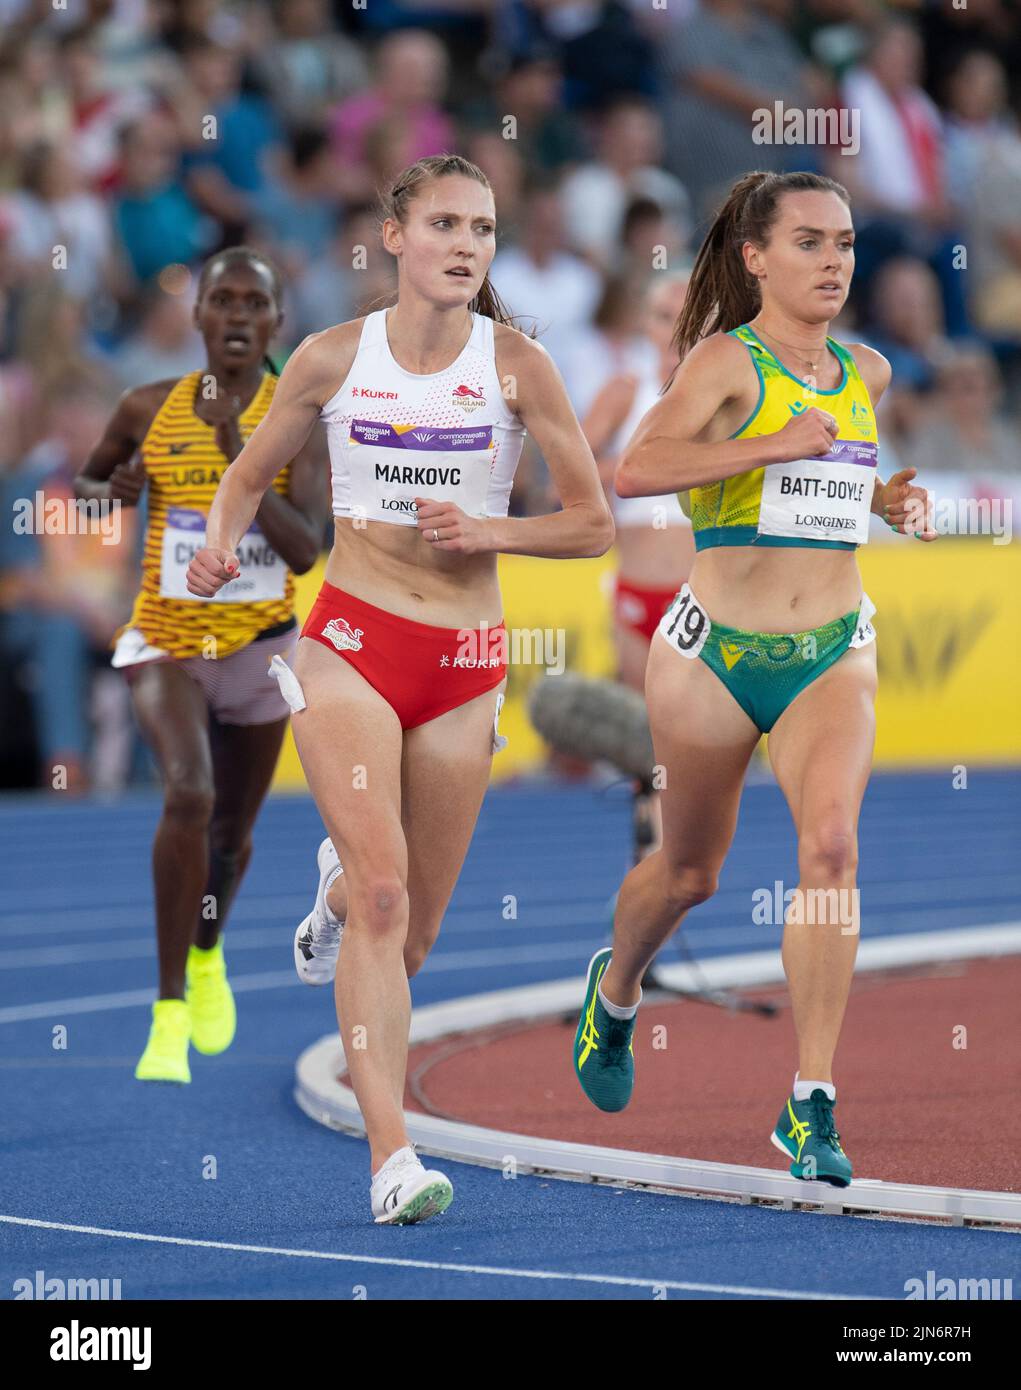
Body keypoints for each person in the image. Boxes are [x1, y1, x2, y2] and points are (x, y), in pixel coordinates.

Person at [186, 155, 613, 1225]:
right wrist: (217, 548)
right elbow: (246, 473)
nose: (467, 244)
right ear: (395, 236)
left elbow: (593, 521)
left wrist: (492, 530)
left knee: (407, 932)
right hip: (353, 641)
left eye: (483, 228)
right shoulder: (334, 359)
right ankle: (391, 1160)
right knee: (390, 892)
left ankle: (333, 894)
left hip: (465, 664)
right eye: (445, 224)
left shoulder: (519, 366)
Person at [573, 170, 934, 1188]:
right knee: (690, 873)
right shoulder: (723, 364)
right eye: (810, 243)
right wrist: (775, 439)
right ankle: (618, 994)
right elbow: (637, 471)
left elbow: (834, 481)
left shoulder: (865, 368)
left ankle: (809, 1101)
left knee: (829, 848)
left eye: (846, 243)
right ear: (756, 257)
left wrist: (886, 500)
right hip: (709, 654)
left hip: (829, 649)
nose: (833, 263)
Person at [75, 246, 327, 1084]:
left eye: (256, 304)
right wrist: (116, 487)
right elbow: (87, 483)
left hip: (260, 649)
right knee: (189, 792)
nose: (238, 318)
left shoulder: (300, 421)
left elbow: (306, 551)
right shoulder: (146, 405)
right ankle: (168, 1010)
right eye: (223, 300)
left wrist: (236, 461)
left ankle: (209, 952)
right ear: (198, 317)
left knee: (232, 836)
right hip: (170, 643)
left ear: (276, 324)